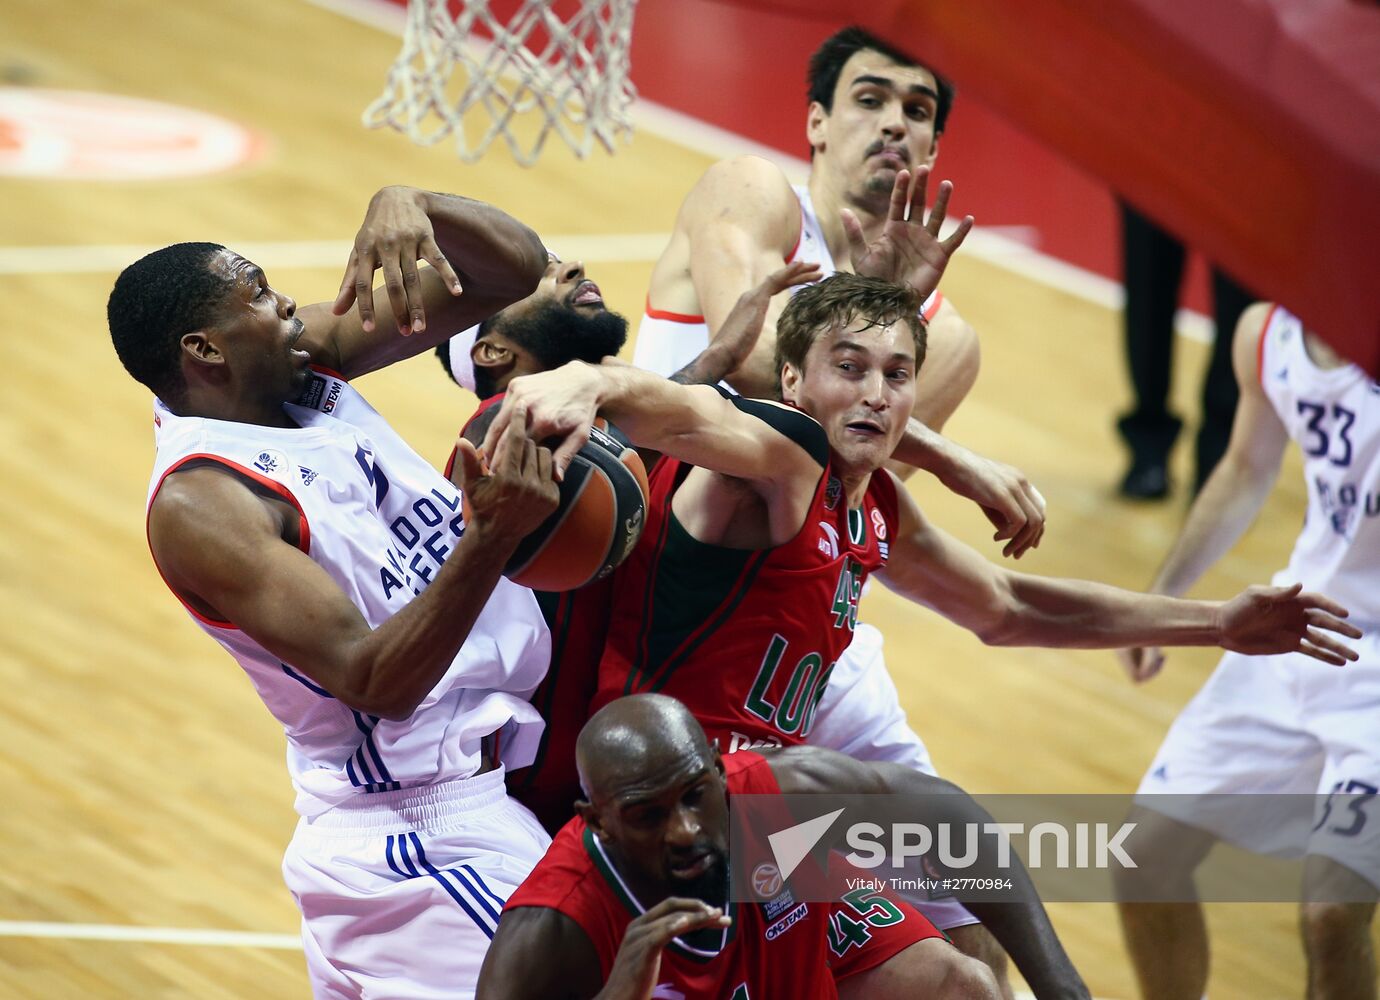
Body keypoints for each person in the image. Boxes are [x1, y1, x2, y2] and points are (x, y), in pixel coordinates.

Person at [482, 270, 1360, 996]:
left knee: (963, 983)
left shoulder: (875, 512)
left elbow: (1009, 608)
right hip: (652, 833)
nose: (874, 392)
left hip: (766, 826)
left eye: (897, 375)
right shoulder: (778, 465)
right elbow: (685, 414)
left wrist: (1219, 623)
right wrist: (596, 382)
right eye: (849, 367)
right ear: (792, 385)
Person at [631, 26, 1031, 984]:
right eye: (869, 97)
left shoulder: (951, 339)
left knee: (975, 931)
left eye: (918, 109)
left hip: (813, 633)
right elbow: (765, 372)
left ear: (934, 150)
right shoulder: (750, 194)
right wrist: (955, 455)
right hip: (670, 613)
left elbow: (849, 466)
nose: (893, 121)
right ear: (815, 120)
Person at [110, 185, 564, 998]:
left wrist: (410, 201)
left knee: (819, 882)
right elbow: (372, 680)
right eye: (258, 295)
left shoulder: (294, 362)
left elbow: (514, 273)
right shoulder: (203, 501)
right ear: (206, 351)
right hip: (421, 829)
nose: (287, 300)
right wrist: (490, 538)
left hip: (501, 777)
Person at [477, 694, 1082, 999]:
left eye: (695, 796)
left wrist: (1065, 991)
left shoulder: (778, 796)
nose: (685, 830)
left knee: (962, 987)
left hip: (781, 923)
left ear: (719, 769)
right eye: (647, 816)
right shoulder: (554, 929)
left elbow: (952, 818)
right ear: (598, 823)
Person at [1114, 302, 1377, 1000]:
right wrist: (1161, 604)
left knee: (1331, 917)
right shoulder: (1266, 332)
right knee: (1143, 859)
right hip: (1306, 627)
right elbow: (1243, 467)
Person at [1115, 201, 1256, 499]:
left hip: (1247, 168)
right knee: (1147, 280)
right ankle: (1148, 444)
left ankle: (1218, 462)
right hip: (1157, 160)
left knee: (1239, 306)